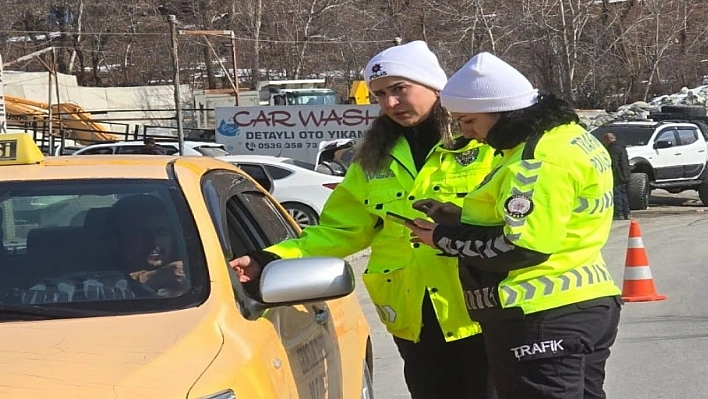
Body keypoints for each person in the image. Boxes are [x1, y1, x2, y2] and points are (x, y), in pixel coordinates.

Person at [230, 41, 497, 399]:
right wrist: (270, 259)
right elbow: (339, 231)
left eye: (400, 89)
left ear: (435, 86)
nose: (390, 103)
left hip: (483, 306)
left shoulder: (483, 144)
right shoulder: (373, 158)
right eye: (380, 95)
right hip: (414, 314)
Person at [405, 52, 622, 399]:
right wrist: (458, 217)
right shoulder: (568, 137)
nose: (467, 133)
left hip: (539, 314)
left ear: (502, 109)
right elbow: (551, 218)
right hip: (586, 302)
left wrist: (444, 238)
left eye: (470, 120)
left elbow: (522, 245)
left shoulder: (535, 160)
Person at [110, 194, 186, 297]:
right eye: (141, 234)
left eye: (162, 232)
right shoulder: (97, 279)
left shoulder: (195, 270)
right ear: (118, 239)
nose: (154, 241)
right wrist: (152, 278)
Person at [601, 132, 631, 220]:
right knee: (623, 194)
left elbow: (613, 163)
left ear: (608, 139)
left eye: (604, 140)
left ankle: (619, 214)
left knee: (617, 194)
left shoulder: (614, 149)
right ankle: (626, 213)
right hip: (624, 174)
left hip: (618, 175)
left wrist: (608, 173)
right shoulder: (622, 147)